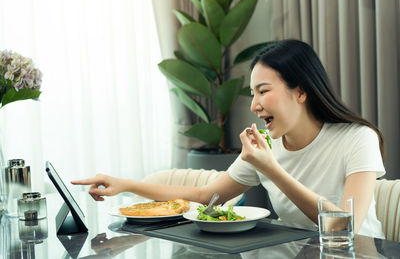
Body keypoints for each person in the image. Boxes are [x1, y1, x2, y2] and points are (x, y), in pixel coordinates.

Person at [72, 39, 385, 238]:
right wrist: (126, 185)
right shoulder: (265, 145)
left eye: (264, 91)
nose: (254, 105)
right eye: (252, 94)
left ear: (301, 91)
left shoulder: (357, 138)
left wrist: (273, 169)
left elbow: (345, 226)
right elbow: (207, 197)